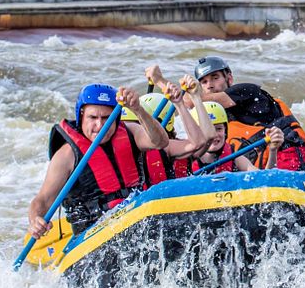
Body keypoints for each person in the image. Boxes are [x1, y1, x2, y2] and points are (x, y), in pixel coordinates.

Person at [28, 84, 170, 238]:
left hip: (136, 219)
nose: (100, 125)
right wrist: (35, 219)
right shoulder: (67, 155)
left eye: (106, 118)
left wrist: (138, 110)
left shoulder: (131, 132)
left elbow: (160, 142)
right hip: (91, 234)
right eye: (93, 118)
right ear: (81, 117)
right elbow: (42, 200)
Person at [147, 60, 305, 173]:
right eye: (204, 82)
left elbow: (190, 101)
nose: (210, 85)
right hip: (262, 167)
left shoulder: (247, 91)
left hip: (292, 161)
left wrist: (159, 80)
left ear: (229, 78)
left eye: (215, 78)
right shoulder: (213, 116)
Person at [121, 77, 215, 184]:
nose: (130, 131)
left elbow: (205, 138)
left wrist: (190, 100)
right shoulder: (118, 149)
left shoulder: (168, 147)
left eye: (136, 125)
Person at [188, 101, 284, 173]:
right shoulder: (187, 158)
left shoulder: (235, 157)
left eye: (219, 129)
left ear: (226, 131)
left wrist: (273, 150)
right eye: (207, 129)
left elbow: (265, 180)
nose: (214, 134)